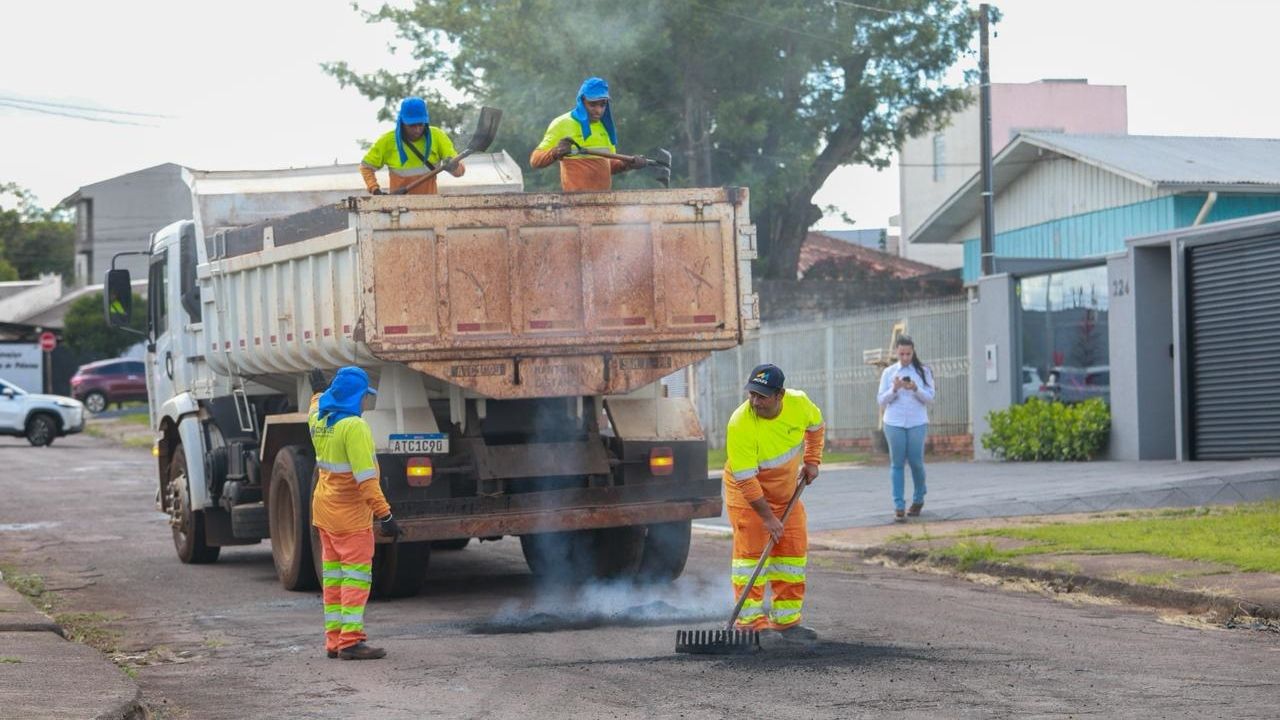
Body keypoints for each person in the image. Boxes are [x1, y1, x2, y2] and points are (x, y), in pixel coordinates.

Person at [723, 363, 824, 646]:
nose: (755, 401)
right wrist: (768, 519)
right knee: (750, 557)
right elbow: (746, 480)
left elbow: (815, 426)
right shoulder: (740, 422)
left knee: (791, 554)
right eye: (752, 394)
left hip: (785, 493)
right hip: (748, 497)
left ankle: (787, 622)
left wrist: (813, 461)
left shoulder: (799, 403)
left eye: (762, 396)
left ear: (780, 394)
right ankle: (751, 623)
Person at [307, 366, 402, 660]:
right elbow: (366, 480)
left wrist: (318, 391)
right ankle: (351, 641)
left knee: (333, 579)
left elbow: (315, 404)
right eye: (362, 396)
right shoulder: (354, 428)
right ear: (354, 396)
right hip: (351, 519)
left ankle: (334, 641)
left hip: (325, 514)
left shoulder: (318, 420)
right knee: (356, 579)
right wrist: (385, 516)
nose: (364, 402)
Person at [529, 76, 648, 192]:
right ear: (581, 102)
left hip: (603, 204)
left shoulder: (604, 128)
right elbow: (535, 160)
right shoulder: (562, 123)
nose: (598, 110)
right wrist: (555, 152)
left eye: (602, 105)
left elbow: (609, 166)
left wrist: (628, 164)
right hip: (574, 204)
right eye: (593, 104)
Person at [876, 335, 935, 522]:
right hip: (894, 422)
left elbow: (930, 398)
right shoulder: (889, 372)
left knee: (916, 461)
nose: (905, 357)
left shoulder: (923, 371)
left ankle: (918, 498)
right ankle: (899, 505)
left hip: (917, 421)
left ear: (913, 352)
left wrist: (915, 388)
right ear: (896, 352)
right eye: (901, 354)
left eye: (908, 354)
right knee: (897, 462)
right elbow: (881, 400)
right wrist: (894, 389)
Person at [360, 96, 466, 196]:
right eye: (412, 125)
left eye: (421, 124)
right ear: (402, 122)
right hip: (398, 210)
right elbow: (365, 167)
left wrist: (454, 166)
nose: (417, 130)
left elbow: (459, 173)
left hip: (430, 207)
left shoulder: (437, 136)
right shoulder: (387, 141)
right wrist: (375, 190)